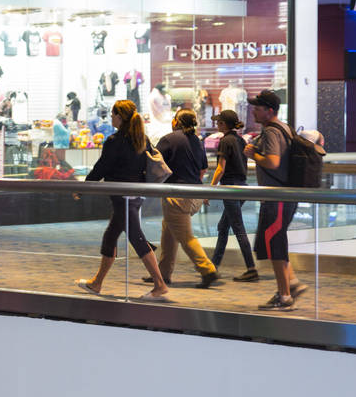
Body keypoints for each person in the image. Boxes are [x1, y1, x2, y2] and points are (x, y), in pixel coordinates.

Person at [75, 100, 170, 301]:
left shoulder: (115, 141)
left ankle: (159, 284)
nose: (111, 117)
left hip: (122, 197)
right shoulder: (141, 139)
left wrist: (82, 188)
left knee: (136, 238)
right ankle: (97, 282)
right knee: (111, 236)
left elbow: (102, 167)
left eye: (113, 114)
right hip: (136, 195)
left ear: (120, 117)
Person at [244, 89, 308, 311]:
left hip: (277, 197)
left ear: (269, 111)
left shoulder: (271, 132)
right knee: (274, 242)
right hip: (283, 196)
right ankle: (291, 285)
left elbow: (272, 162)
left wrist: (254, 155)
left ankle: (285, 296)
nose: (254, 111)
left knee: (275, 245)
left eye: (258, 108)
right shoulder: (285, 128)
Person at [154, 108, 219, 289]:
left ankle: (207, 270)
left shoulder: (169, 139)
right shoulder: (197, 141)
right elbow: (203, 169)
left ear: (176, 122)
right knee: (169, 229)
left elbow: (153, 162)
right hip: (195, 194)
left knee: (185, 236)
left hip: (177, 196)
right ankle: (162, 273)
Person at [207, 110, 259, 282]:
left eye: (219, 122)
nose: (216, 124)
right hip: (242, 187)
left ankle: (251, 268)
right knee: (224, 227)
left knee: (238, 229)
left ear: (224, 124)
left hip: (230, 188)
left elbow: (221, 168)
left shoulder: (225, 141)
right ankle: (213, 266)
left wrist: (210, 188)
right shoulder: (240, 139)